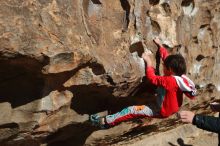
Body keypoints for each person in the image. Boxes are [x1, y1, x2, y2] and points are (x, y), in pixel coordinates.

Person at [90, 38, 197, 129]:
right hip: (171, 107)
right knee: (156, 93)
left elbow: (152, 78)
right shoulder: (180, 76)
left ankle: (105, 122)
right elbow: (166, 59)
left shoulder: (170, 81)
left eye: (164, 67)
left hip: (161, 110)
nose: (163, 67)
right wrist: (160, 46)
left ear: (170, 69)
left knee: (131, 110)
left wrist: (148, 63)